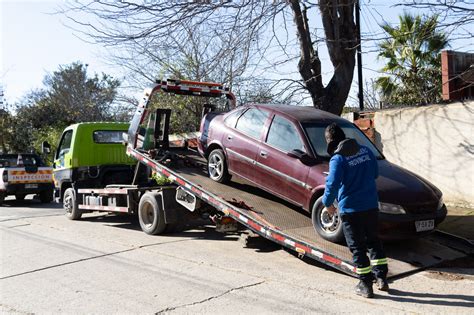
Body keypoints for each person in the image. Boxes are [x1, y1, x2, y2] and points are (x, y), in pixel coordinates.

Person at [322, 123, 388, 298]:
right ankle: (381, 278)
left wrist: (327, 203)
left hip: (351, 210)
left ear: (331, 142)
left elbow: (332, 184)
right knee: (374, 241)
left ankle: (365, 284)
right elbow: (374, 174)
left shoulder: (338, 159)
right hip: (371, 206)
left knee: (358, 247)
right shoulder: (366, 151)